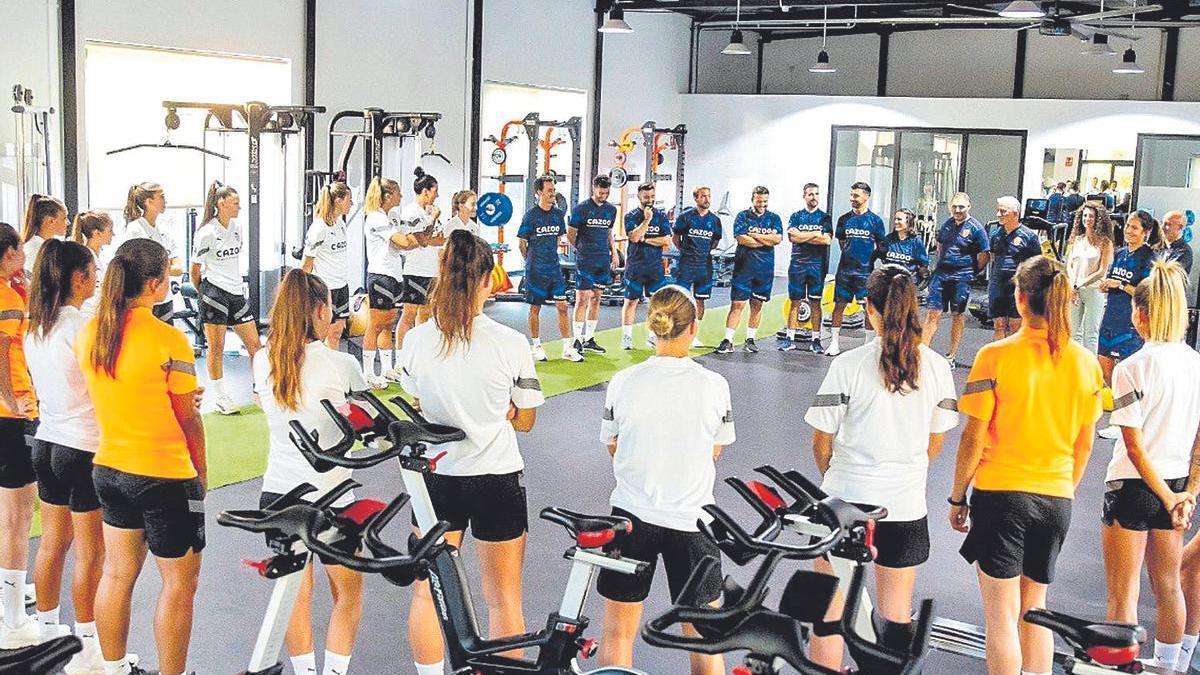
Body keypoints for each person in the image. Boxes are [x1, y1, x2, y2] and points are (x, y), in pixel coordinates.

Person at [397, 230, 545, 675]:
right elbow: (525, 420)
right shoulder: (510, 343)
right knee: (503, 597)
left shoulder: (418, 340)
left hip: (435, 480)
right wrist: (503, 414)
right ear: (486, 280)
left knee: (427, 592)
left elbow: (418, 400)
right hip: (495, 477)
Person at [949, 255, 1103, 675]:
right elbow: (1084, 444)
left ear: (1019, 299)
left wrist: (958, 496)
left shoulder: (994, 356)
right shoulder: (1087, 364)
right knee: (1035, 610)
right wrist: (1063, 488)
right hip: (1056, 500)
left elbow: (973, 436)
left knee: (1001, 616)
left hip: (1002, 497)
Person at [805, 265, 957, 670]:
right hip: (904, 508)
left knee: (829, 611)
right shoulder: (938, 367)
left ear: (870, 309)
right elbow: (935, 442)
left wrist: (836, 481)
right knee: (895, 614)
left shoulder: (848, 365)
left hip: (843, 506)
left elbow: (822, 442)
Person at [76, 238, 206, 675]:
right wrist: (200, 476)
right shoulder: (169, 340)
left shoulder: (91, 333)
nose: (171, 280)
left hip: (109, 471)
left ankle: (112, 670)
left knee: (116, 575)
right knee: (179, 584)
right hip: (163, 475)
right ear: (154, 285)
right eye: (168, 274)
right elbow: (188, 420)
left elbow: (126, 390)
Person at [596, 285, 732, 675]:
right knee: (705, 641)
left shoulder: (623, 380)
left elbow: (614, 446)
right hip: (692, 523)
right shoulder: (714, 386)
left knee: (617, 635)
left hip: (630, 519)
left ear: (653, 325)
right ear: (693, 328)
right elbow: (715, 449)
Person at [254, 268, 367, 675]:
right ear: (321, 310)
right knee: (349, 595)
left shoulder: (261, 360)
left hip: (279, 497)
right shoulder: (342, 364)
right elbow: (367, 424)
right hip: (332, 500)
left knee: (294, 596)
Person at [1101, 261, 1199, 671]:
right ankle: (1169, 667)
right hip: (1175, 486)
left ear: (1140, 314)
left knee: (1123, 595)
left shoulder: (1130, 368)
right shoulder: (1195, 364)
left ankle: (1122, 667)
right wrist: (1186, 495)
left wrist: (1169, 494)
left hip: (1134, 488)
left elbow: (1135, 447)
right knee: (1167, 587)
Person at [24, 239, 108, 669]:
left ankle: (46, 629)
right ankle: (88, 649)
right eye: (93, 271)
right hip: (82, 447)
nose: (96, 277)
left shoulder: (36, 326)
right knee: (91, 552)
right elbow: (104, 389)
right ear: (78, 278)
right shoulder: (81, 328)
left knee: (53, 543)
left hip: (46, 443)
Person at [0, 222, 40, 649]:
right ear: (10, 252)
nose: (25, 257)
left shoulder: (14, 293)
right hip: (11, 416)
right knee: (17, 517)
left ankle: (9, 590)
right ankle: (11, 620)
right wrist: (12, 402)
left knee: (7, 514)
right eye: (20, 252)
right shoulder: (7, 299)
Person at [191, 181, 262, 415]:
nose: (239, 207)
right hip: (214, 292)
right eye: (235, 203)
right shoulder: (206, 233)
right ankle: (221, 396)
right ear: (221, 203)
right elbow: (195, 271)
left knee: (255, 346)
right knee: (217, 347)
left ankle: (260, 388)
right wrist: (204, 292)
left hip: (236, 292)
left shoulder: (237, 227)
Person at [1097, 210, 1162, 440]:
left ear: (1146, 232)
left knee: (1128, 371)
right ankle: (1121, 409)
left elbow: (1147, 292)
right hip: (1110, 317)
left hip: (1132, 321)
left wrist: (1121, 285)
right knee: (1105, 364)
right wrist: (1107, 285)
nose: (1128, 231)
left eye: (1135, 228)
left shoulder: (1149, 258)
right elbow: (1113, 281)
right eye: (1127, 227)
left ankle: (1126, 419)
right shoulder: (1120, 253)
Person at [518, 175, 582, 363]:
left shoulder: (557, 215)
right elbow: (522, 243)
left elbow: (557, 239)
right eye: (549, 191)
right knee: (535, 307)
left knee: (562, 306)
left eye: (554, 190)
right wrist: (530, 261)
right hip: (535, 269)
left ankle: (567, 348)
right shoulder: (530, 216)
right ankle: (536, 346)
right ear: (539, 192)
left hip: (553, 268)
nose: (553, 194)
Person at [922, 192, 990, 368]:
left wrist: (972, 272)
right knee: (932, 313)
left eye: (961, 207)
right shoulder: (947, 224)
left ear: (969, 207)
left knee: (957, 315)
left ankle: (951, 355)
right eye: (954, 207)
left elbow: (984, 254)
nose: (957, 210)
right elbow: (940, 245)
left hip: (962, 277)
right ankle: (922, 353)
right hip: (941, 276)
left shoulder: (976, 228)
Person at [715, 187, 783, 355]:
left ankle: (750, 339)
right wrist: (765, 241)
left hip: (764, 270)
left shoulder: (774, 218)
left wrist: (755, 235)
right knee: (737, 304)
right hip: (743, 269)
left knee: (757, 305)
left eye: (765, 201)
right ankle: (728, 340)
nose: (762, 204)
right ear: (753, 199)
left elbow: (777, 239)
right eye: (759, 201)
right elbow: (743, 239)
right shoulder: (742, 216)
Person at [828, 182, 886, 357]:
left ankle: (868, 345)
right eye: (851, 195)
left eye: (856, 196)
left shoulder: (875, 221)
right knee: (839, 306)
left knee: (868, 308)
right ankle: (834, 343)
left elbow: (881, 246)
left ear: (866, 197)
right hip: (845, 271)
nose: (852, 199)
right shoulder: (844, 219)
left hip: (865, 272)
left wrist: (871, 262)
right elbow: (842, 241)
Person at [361, 177, 407, 389]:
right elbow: (404, 242)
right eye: (398, 193)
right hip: (380, 276)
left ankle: (387, 369)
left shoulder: (391, 217)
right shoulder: (376, 218)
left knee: (389, 324)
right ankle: (368, 373)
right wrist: (422, 239)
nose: (401, 196)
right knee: (375, 325)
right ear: (388, 196)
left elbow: (404, 241)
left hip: (395, 275)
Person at [394, 168, 446, 351]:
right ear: (425, 191)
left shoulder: (427, 211)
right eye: (435, 191)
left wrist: (432, 236)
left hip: (431, 270)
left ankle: (420, 353)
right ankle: (401, 357)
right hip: (415, 270)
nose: (437, 195)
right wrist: (432, 220)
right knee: (409, 315)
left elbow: (438, 238)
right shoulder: (411, 212)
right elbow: (423, 240)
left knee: (426, 314)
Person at [568, 175, 618, 355]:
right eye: (601, 192)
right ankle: (576, 340)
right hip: (585, 260)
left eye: (606, 192)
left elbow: (609, 232)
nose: (604, 195)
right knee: (582, 299)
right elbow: (571, 234)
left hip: (603, 259)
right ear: (593, 188)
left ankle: (589, 338)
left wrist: (613, 252)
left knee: (597, 298)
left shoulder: (611, 210)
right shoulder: (581, 209)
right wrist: (582, 249)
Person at [620, 182, 672, 351]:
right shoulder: (631, 216)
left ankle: (652, 336)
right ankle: (626, 337)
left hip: (655, 266)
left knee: (656, 303)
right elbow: (634, 237)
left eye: (652, 196)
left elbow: (666, 241)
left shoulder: (662, 216)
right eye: (646, 197)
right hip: (635, 265)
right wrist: (647, 220)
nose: (650, 200)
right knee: (631, 302)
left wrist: (647, 240)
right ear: (639, 197)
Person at [302, 182, 352, 351]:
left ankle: (333, 370)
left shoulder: (341, 224)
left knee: (336, 332)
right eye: (349, 200)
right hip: (325, 289)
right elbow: (306, 265)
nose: (351, 204)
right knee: (320, 335)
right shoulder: (318, 228)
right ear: (338, 200)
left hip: (342, 286)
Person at [784, 183, 833, 353]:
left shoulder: (825, 218)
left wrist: (802, 237)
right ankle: (789, 338)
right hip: (798, 264)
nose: (814, 197)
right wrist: (814, 235)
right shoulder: (796, 216)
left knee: (815, 303)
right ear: (804, 196)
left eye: (817, 194)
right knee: (795, 302)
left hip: (817, 266)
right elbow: (792, 237)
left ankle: (816, 339)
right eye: (810, 194)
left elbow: (826, 240)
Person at [123, 182, 182, 323]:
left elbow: (178, 269)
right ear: (148, 202)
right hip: (145, 301)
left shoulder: (164, 232)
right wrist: (165, 266)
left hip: (165, 299)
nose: (165, 201)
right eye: (161, 197)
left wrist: (159, 268)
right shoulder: (136, 229)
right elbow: (139, 269)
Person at [672, 186, 722, 349]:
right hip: (687, 264)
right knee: (681, 299)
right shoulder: (686, 217)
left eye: (708, 196)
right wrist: (686, 252)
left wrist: (703, 252)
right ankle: (678, 332)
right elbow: (676, 239)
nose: (706, 199)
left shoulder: (715, 220)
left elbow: (715, 242)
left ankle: (693, 335)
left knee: (700, 300)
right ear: (696, 199)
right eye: (703, 196)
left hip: (705, 265)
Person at [989, 196, 1043, 341]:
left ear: (1015, 214)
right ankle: (999, 360)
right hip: (998, 285)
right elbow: (993, 257)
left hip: (1019, 285)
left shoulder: (1029, 236)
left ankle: (1014, 360)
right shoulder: (995, 235)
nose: (998, 215)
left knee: (1015, 325)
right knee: (999, 324)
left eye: (1003, 211)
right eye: (998, 211)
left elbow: (1037, 263)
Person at [1066, 201, 1115, 353]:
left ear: (1098, 219)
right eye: (1085, 215)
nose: (1087, 219)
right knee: (1074, 333)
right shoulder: (1077, 240)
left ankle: (1091, 369)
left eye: (1091, 216)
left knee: (1091, 333)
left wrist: (1079, 284)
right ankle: (1076, 368)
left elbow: (1102, 271)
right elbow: (1069, 265)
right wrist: (1073, 285)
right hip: (1075, 291)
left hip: (1094, 290)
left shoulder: (1105, 243)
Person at [73, 211, 114, 318]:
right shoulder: (83, 258)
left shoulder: (103, 256)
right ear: (97, 233)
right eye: (110, 231)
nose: (113, 234)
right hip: (87, 314)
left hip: (100, 313)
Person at [21, 194, 68, 276]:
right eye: (64, 218)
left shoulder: (46, 246)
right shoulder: (35, 250)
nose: (68, 223)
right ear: (51, 221)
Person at [877, 208, 929, 281]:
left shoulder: (916, 242)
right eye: (895, 219)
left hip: (906, 283)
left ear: (909, 222)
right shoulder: (888, 239)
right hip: (888, 282)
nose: (896, 222)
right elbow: (881, 256)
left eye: (899, 219)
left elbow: (923, 265)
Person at [1162, 211, 1193, 276]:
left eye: (1167, 224)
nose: (1162, 227)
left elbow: (1168, 277)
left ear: (1180, 228)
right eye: (1163, 223)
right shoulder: (1160, 246)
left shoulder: (1184, 252)